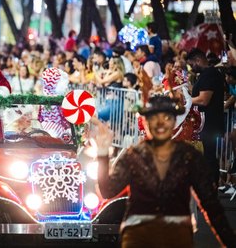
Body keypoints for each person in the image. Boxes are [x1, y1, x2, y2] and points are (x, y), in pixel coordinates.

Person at [92, 95, 236, 248]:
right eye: (154, 118)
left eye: (166, 117)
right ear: (146, 122)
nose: (160, 123)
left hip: (176, 236)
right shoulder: (133, 156)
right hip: (138, 236)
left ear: (174, 121)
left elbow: (211, 205)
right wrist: (102, 153)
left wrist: (229, 242)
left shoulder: (188, 156)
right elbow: (108, 190)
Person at [186, 48, 225, 185]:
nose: (191, 68)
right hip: (207, 123)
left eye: (192, 64)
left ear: (198, 60)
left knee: (209, 156)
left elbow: (203, 99)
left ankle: (211, 187)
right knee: (207, 156)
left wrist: (187, 101)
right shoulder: (206, 75)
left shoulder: (210, 74)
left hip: (209, 123)